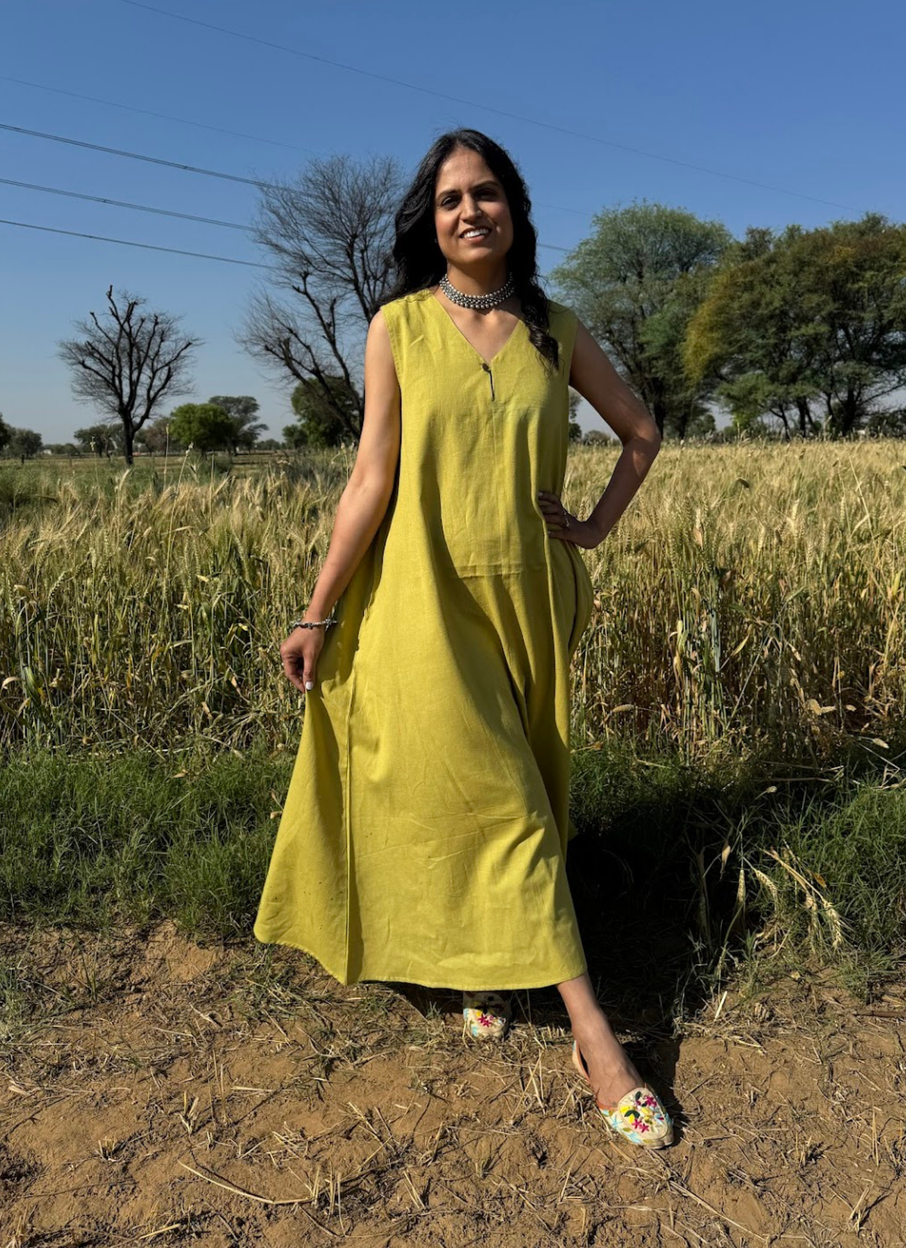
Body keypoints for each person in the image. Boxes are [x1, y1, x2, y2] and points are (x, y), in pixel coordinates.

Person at [253, 128, 672, 1149]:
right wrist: (318, 607)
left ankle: (479, 968)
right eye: (448, 200)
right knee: (501, 801)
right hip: (420, 597)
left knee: (512, 787)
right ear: (429, 221)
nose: (469, 212)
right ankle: (594, 1038)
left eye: (486, 194)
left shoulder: (554, 329)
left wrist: (593, 528)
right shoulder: (397, 325)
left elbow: (642, 433)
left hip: (528, 596)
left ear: (515, 211)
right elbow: (371, 480)